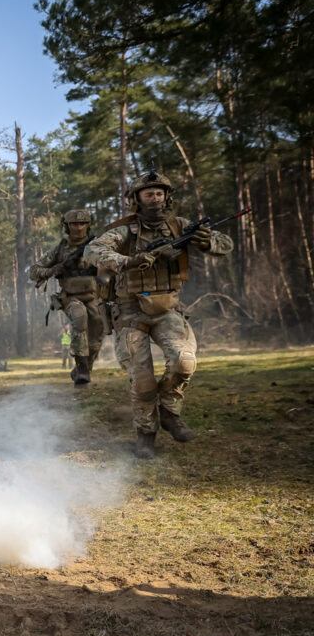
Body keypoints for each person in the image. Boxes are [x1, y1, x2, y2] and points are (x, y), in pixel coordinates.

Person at [85, 170, 233, 459]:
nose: (155, 198)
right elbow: (92, 251)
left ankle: (170, 412)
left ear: (167, 197)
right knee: (143, 380)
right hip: (129, 311)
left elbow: (224, 244)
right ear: (137, 199)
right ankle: (146, 434)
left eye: (159, 193)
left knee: (184, 362)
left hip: (167, 308)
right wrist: (128, 261)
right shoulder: (124, 231)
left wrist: (206, 241)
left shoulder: (180, 226)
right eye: (148, 194)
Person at [29, 208, 107, 384]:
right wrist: (52, 270)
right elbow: (34, 271)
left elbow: (113, 265)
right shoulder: (60, 250)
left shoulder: (97, 247)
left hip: (95, 296)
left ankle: (86, 365)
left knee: (99, 331)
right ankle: (82, 368)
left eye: (82, 224)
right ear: (67, 226)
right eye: (74, 224)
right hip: (70, 297)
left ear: (87, 225)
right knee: (80, 318)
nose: (78, 227)